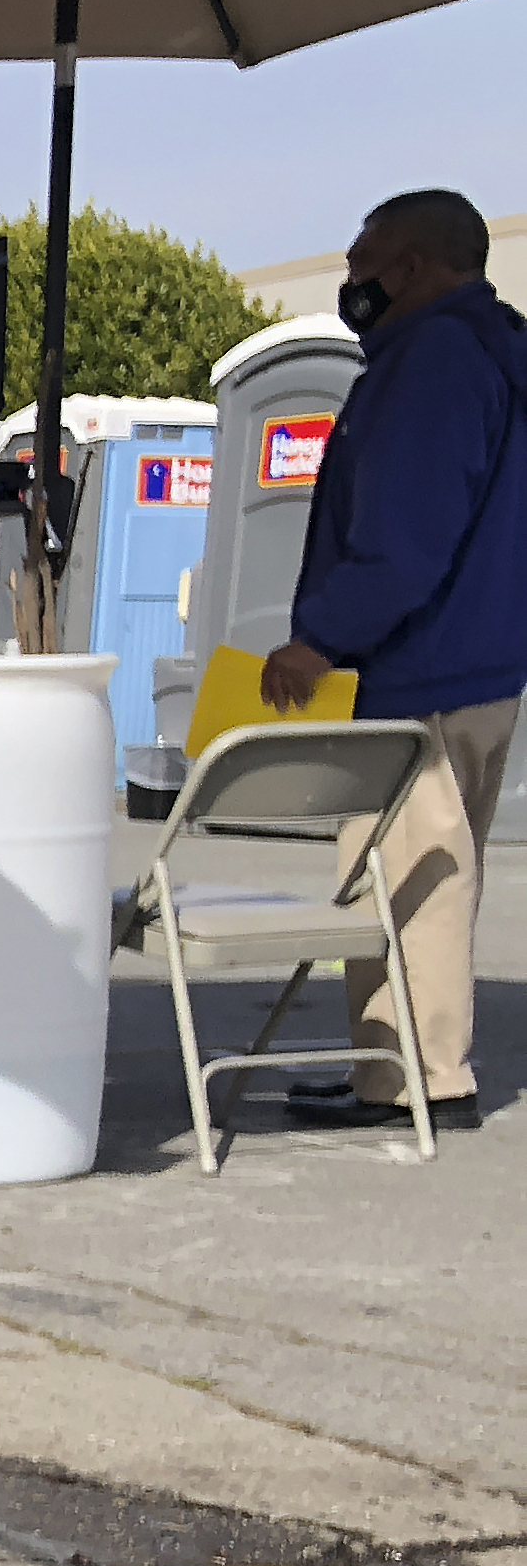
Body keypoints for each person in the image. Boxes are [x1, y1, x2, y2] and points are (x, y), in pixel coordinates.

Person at [258, 187, 527, 1132]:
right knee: (433, 869)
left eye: (362, 262)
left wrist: (320, 636)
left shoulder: (433, 361)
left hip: (419, 667)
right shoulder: (497, 349)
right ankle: (395, 1067)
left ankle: (420, 1079)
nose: (351, 281)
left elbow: (404, 537)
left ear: (411, 266)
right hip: (486, 661)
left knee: (410, 873)